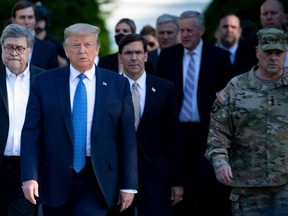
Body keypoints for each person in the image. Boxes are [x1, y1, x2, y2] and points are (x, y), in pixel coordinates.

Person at [20, 23, 138, 216]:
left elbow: (127, 137)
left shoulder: (118, 84)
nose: (82, 50)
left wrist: (129, 184)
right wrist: (29, 177)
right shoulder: (44, 82)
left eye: (88, 45)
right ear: (66, 50)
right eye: (76, 45)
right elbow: (31, 132)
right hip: (54, 176)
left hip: (98, 178)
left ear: (97, 48)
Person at [156, 10, 233, 216]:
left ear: (201, 31)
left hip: (207, 133)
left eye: (190, 30)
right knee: (179, 191)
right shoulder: (168, 56)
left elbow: (227, 99)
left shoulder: (219, 57)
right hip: (177, 133)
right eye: (182, 30)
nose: (185, 35)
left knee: (206, 190)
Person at [205, 27, 288, 216]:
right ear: (258, 52)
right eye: (268, 52)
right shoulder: (236, 87)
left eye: (279, 52)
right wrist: (220, 161)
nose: (274, 57)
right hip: (249, 186)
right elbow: (218, 130)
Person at [118, 33, 185, 216]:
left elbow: (173, 136)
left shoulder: (165, 88)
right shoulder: (109, 88)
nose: (134, 58)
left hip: (156, 177)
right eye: (128, 53)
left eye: (139, 52)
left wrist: (177, 181)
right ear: (120, 57)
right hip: (119, 178)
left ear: (146, 56)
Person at [0, 23, 45, 216]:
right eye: (8, 47)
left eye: (19, 48)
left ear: (29, 50)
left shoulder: (44, 80)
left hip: (28, 170)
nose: (13, 52)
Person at [234, 0, 287, 76]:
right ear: (260, 18)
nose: (269, 17)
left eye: (273, 13)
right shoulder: (246, 46)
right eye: (265, 14)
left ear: (284, 17)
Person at [10, 0, 59, 70]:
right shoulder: (2, 47)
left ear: (35, 20)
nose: (27, 22)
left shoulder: (49, 49)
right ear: (13, 20)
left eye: (30, 17)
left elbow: (53, 78)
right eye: (22, 17)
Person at [34, 1, 68, 68]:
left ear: (46, 21)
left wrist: (50, 52)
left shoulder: (55, 43)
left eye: (41, 19)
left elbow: (65, 65)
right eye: (35, 19)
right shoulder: (27, 42)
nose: (37, 22)